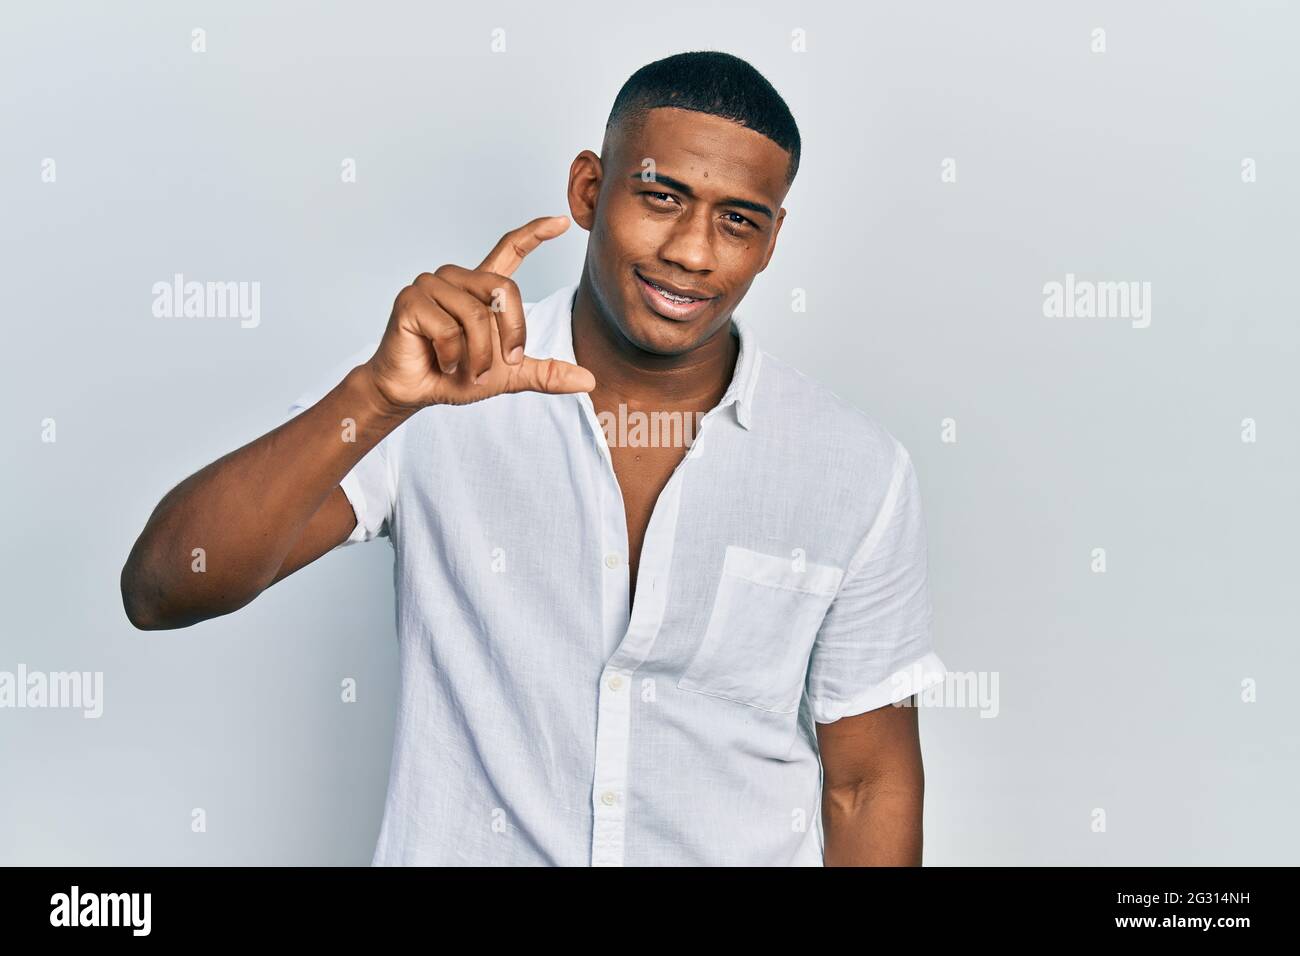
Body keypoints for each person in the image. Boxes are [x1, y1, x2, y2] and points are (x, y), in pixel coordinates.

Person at [121, 50, 948, 866]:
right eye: (661, 197)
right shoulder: (437, 396)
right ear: (589, 190)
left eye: (738, 220)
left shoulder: (855, 470)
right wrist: (372, 400)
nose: (694, 253)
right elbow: (164, 587)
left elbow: (867, 781)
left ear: (770, 241)